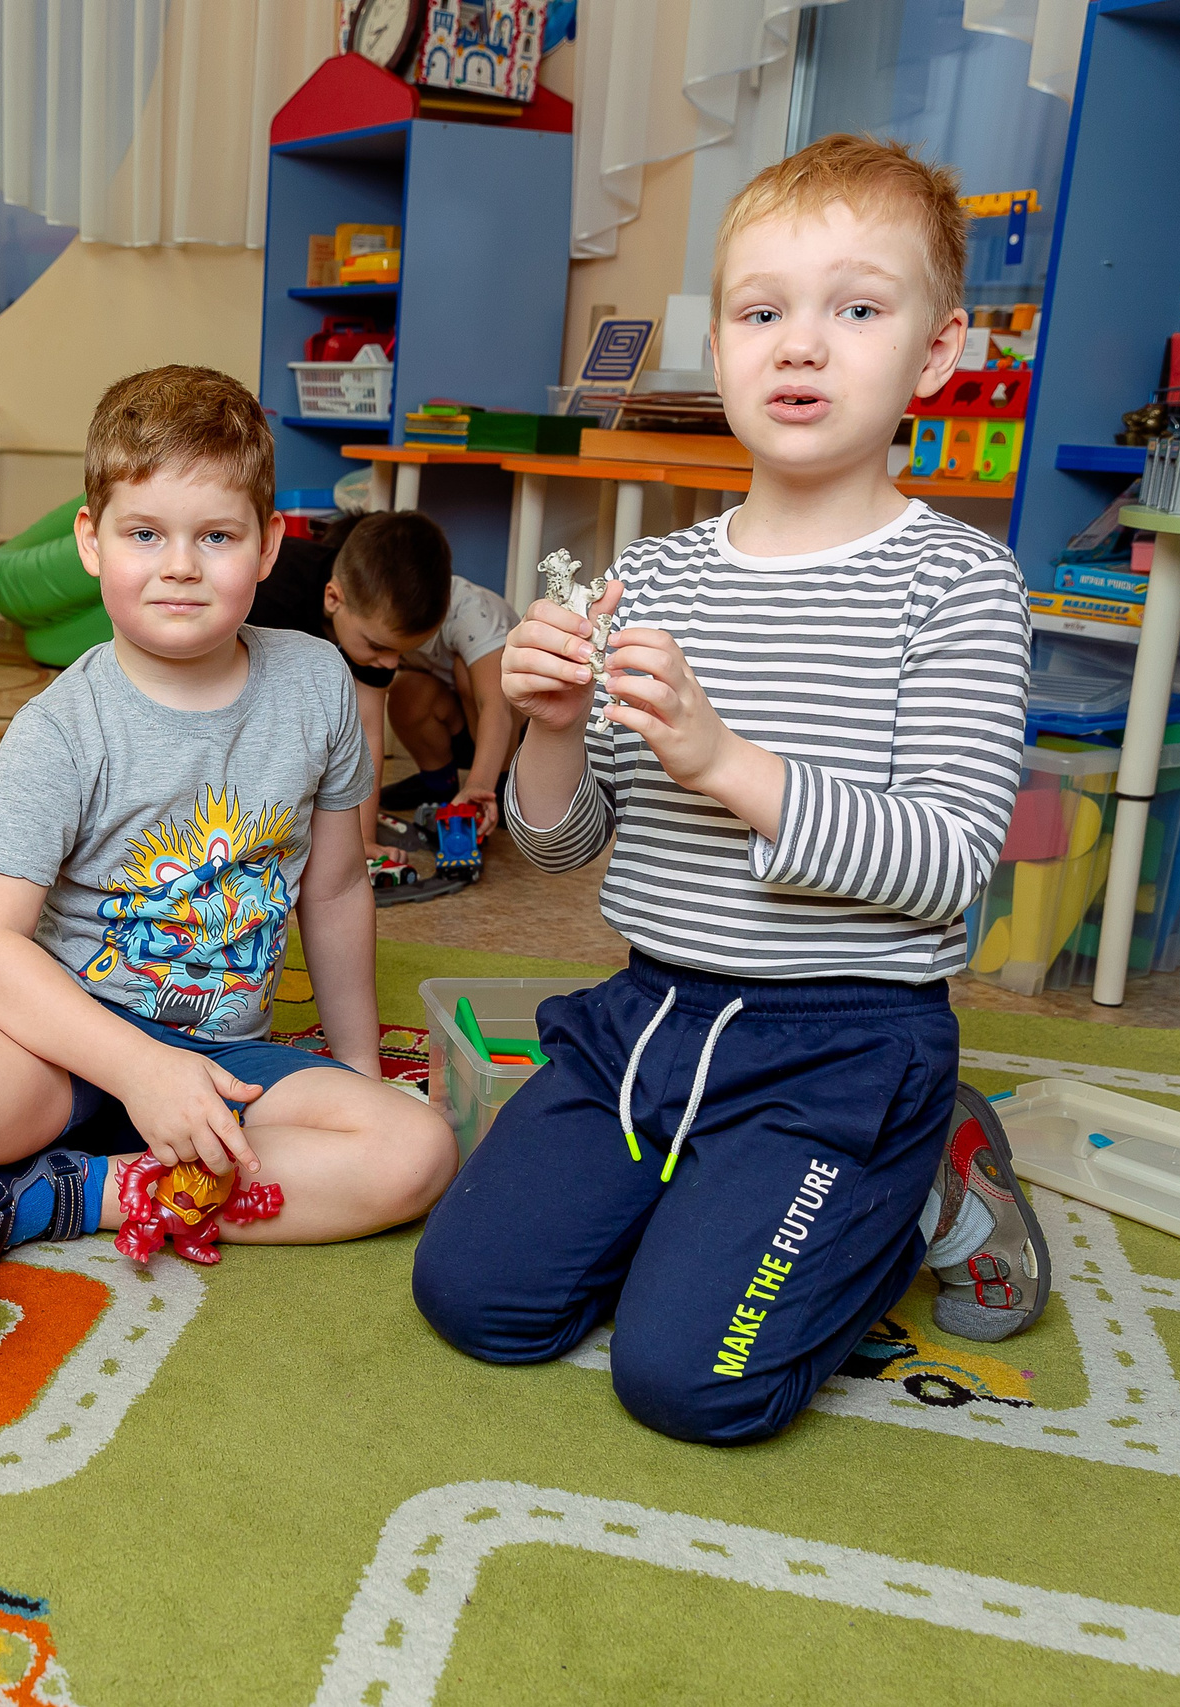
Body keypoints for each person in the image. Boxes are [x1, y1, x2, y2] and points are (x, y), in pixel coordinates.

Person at [409, 135, 1047, 1447]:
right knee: (476, 1299)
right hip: (647, 1013)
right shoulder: (655, 575)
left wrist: (726, 762)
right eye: (763, 312)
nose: (801, 346)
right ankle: (723, 1193)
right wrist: (548, 731)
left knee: (693, 1379)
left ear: (936, 354)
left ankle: (918, 1182)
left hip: (846, 1043)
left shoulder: (961, 587)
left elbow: (948, 863)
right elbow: (565, 842)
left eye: (856, 308)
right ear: (724, 344)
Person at [0, 366, 456, 1263]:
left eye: (217, 535)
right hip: (61, 1040)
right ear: (92, 540)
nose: (181, 566)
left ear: (269, 546)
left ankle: (79, 1190)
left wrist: (355, 1063)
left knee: (413, 1152)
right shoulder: (61, 729)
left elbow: (339, 885)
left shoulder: (318, 687)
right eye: (145, 533)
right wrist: (139, 1069)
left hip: (227, 1062)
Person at [247, 511, 476, 856]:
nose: (391, 664)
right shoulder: (274, 595)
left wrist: (363, 840)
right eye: (380, 648)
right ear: (332, 598)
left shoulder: (374, 633)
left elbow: (369, 730)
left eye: (401, 653)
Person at [378, 571, 522, 829]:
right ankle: (438, 783)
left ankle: (501, 787)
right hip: (458, 723)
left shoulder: (470, 610)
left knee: (467, 673)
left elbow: (496, 706)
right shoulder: (381, 607)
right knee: (406, 688)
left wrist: (478, 788)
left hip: (514, 730)